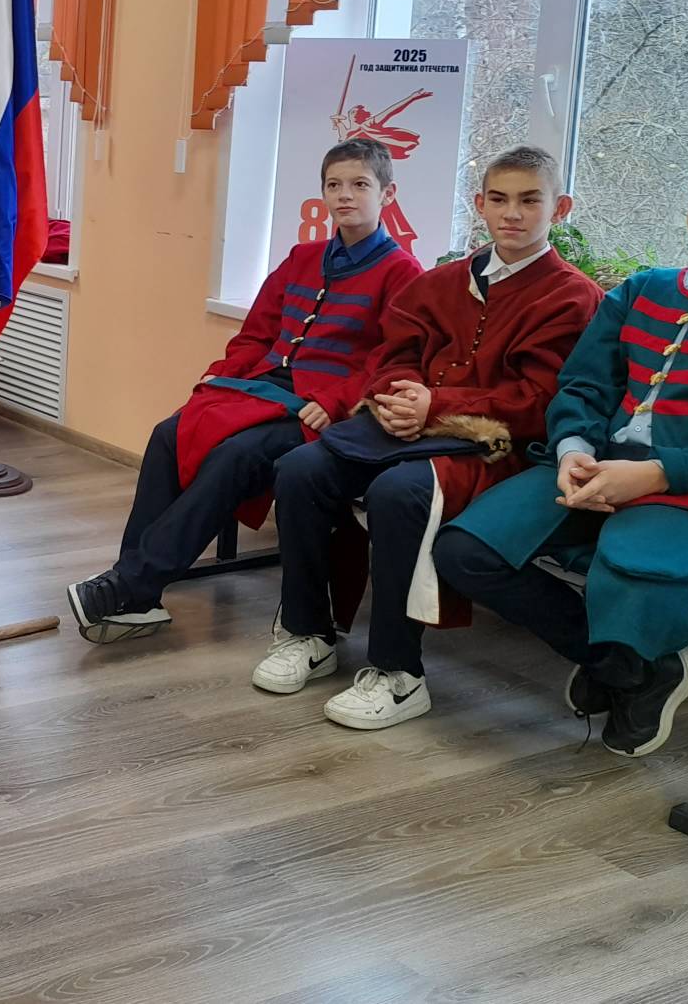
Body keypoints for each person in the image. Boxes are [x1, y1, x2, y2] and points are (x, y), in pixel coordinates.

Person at [434, 140, 688, 758]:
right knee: (465, 551)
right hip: (597, 468)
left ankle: (626, 661)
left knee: (627, 570)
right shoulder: (643, 290)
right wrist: (573, 448)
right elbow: (583, 385)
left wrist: (657, 474)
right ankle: (632, 668)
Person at [255, 147, 601, 725]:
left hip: (498, 448)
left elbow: (541, 401)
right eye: (498, 199)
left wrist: (435, 405)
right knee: (300, 468)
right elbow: (393, 355)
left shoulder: (572, 296)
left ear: (559, 208)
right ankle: (307, 631)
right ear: (479, 204)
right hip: (407, 427)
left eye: (529, 200)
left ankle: (398, 672)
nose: (512, 213)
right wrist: (398, 397)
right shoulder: (443, 282)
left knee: (398, 493)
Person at [67, 139, 422, 643]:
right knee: (170, 432)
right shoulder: (303, 257)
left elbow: (390, 360)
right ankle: (138, 597)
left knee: (236, 455)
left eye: (359, 185)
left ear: (387, 194)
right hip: (263, 386)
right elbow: (257, 334)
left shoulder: (403, 272)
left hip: (321, 409)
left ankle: (128, 585)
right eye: (334, 185)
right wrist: (219, 376)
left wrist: (336, 401)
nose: (345, 195)